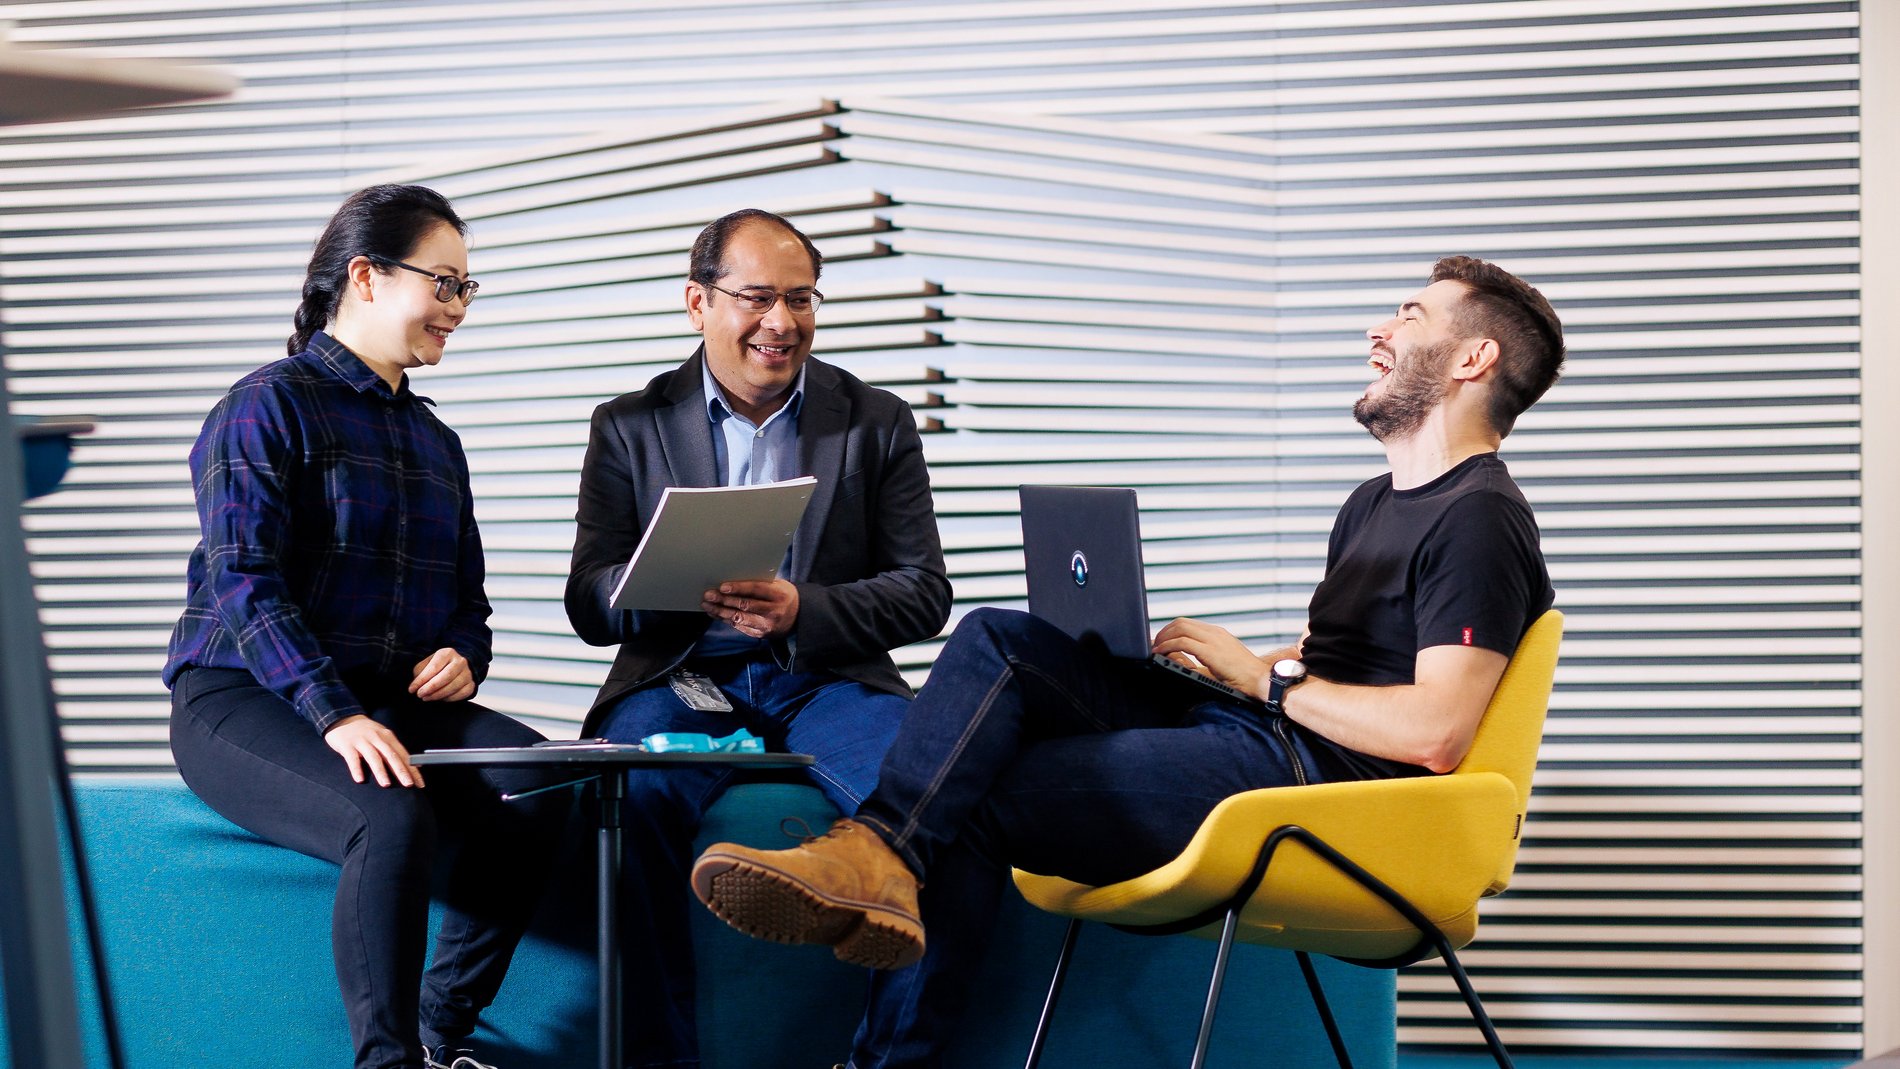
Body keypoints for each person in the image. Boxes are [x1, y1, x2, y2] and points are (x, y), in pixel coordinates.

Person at [690, 255, 1566, 1068]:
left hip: (1318, 791)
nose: (1380, 330)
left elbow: (1437, 732)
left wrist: (1266, 681)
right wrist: (1233, 666)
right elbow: (1358, 660)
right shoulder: (1376, 502)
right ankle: (876, 855)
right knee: (1000, 639)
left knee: (972, 793)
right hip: (1261, 734)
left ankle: (879, 951)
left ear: (1472, 358)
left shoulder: (1480, 517)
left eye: (1410, 316)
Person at [164, 184, 565, 1069]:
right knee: (389, 814)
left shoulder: (436, 442)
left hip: (384, 698)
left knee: (545, 782)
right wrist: (333, 711)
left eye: (467, 289)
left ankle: (440, 1029)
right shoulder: (266, 404)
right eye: (444, 283)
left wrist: (465, 654)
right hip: (244, 692)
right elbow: (245, 580)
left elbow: (470, 604)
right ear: (367, 277)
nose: (457, 310)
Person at [563, 208, 953, 1067]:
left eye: (802, 299)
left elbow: (925, 592)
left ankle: (886, 1061)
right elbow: (587, 602)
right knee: (630, 806)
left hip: (827, 676)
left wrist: (801, 608)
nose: (783, 322)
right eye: (758, 298)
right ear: (698, 302)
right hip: (680, 672)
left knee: (940, 806)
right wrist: (654, 584)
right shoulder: (629, 424)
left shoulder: (874, 420)